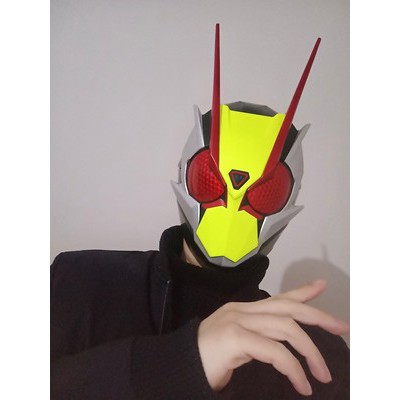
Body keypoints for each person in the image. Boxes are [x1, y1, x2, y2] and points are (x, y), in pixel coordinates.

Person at [51, 25, 349, 399]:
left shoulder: (316, 357)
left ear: (289, 200)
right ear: (184, 173)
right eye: (210, 181)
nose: (233, 206)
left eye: (266, 192)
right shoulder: (76, 284)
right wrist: (183, 362)